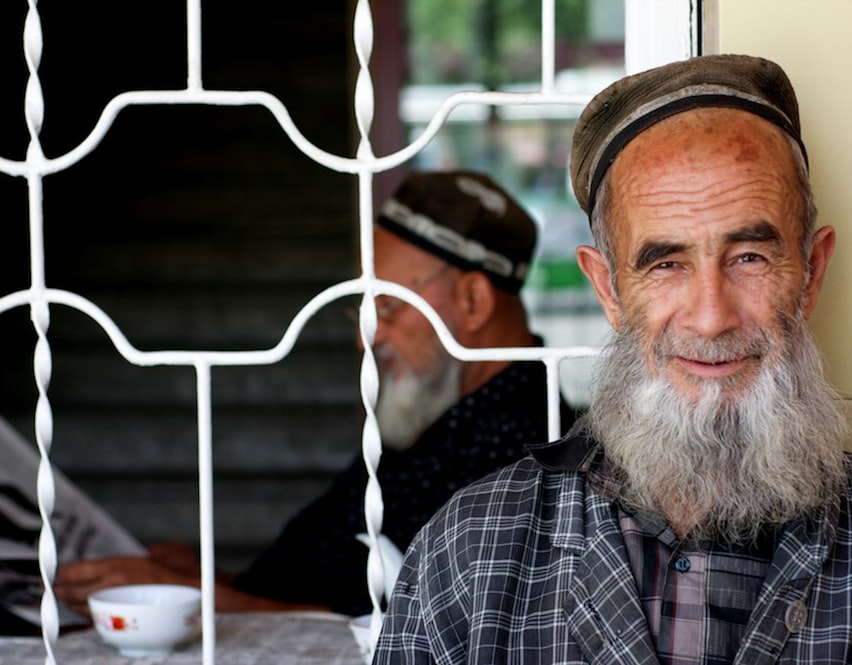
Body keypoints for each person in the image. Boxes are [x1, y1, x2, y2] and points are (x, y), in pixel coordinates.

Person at [373, 55, 852, 663]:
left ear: (811, 273)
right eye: (666, 264)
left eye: (749, 257)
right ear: (609, 290)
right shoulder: (469, 557)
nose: (711, 315)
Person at [55, 170, 575, 618]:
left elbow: (402, 631)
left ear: (472, 300)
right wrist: (217, 584)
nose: (365, 337)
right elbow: (331, 586)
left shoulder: (522, 447)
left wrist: (205, 599)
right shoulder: (435, 415)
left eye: (387, 309)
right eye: (361, 312)